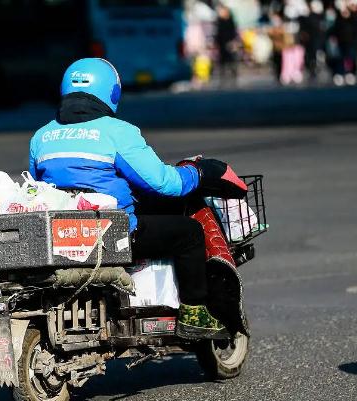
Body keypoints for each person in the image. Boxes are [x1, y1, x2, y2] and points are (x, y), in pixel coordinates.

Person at [29, 58, 235, 339]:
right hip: (112, 237)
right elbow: (165, 184)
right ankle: (195, 313)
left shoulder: (42, 136)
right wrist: (199, 173)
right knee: (189, 233)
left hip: (62, 236)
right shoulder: (118, 132)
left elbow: (38, 186)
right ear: (112, 93)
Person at [215, 5, 239, 87]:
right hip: (222, 44)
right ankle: (223, 79)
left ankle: (233, 78)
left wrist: (233, 42)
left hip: (230, 44)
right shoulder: (219, 21)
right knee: (222, 62)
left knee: (232, 61)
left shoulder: (231, 21)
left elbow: (234, 33)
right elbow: (218, 34)